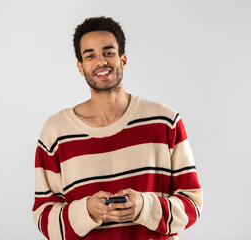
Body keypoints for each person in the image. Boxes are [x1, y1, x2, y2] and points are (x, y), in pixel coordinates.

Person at [32, 16, 203, 240]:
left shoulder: (165, 122)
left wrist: (145, 206)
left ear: (123, 60)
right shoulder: (56, 133)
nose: (101, 61)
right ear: (80, 67)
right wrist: (86, 211)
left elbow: (193, 204)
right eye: (90, 55)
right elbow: (44, 216)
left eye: (108, 52)